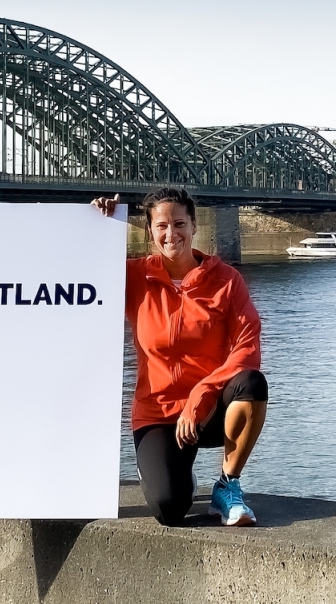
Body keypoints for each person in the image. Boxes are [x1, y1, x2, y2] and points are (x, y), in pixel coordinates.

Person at [93, 188, 268, 526]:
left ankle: (227, 485)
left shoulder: (226, 281)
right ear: (149, 231)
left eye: (179, 224)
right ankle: (180, 477)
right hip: (156, 411)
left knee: (251, 383)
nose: (170, 234)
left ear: (194, 226)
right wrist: (99, 223)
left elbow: (248, 348)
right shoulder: (133, 277)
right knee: (169, 509)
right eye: (161, 226)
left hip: (210, 409)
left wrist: (202, 393)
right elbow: (78, 271)